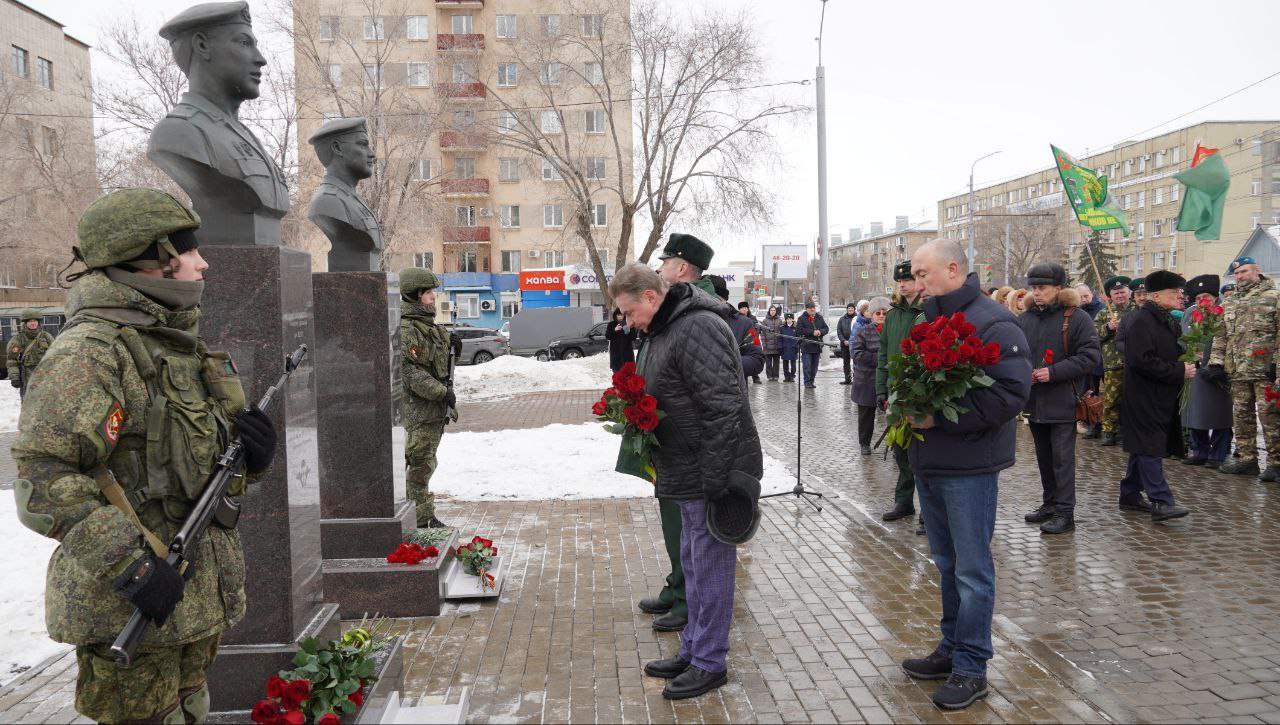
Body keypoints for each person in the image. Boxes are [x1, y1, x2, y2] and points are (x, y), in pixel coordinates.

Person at [12, 188, 278, 723]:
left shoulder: (171, 344)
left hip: (189, 601)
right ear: (151, 260)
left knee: (190, 710)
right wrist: (132, 569)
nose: (202, 262)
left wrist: (251, 458)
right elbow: (44, 479)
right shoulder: (93, 352)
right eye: (188, 250)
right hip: (128, 605)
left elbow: (185, 465)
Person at [610, 263, 762, 700]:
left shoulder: (697, 326)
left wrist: (716, 479)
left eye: (630, 312)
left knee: (710, 569)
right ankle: (694, 647)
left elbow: (723, 406)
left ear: (651, 296)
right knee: (692, 565)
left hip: (708, 471)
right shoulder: (665, 328)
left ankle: (710, 662)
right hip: (685, 467)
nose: (628, 322)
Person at [899, 239, 1031, 711]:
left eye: (923, 274)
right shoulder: (928, 319)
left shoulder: (993, 321)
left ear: (953, 269)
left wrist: (938, 418)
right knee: (947, 564)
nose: (916, 283)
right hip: (930, 461)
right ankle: (952, 647)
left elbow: (1009, 394)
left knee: (973, 571)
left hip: (969, 466)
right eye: (914, 275)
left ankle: (972, 666)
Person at [640, 232, 718, 633]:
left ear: (682, 268)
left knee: (688, 526)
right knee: (673, 519)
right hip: (668, 438)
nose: (659, 268)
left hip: (689, 443)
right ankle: (677, 586)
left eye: (665, 262)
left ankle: (690, 600)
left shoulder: (699, 312)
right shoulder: (674, 307)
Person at [1017, 263, 1101, 535]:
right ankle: (1050, 504)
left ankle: (1065, 513)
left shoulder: (1077, 318)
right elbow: (1017, 353)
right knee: (1044, 458)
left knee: (1062, 460)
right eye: (1034, 288)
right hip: (1035, 401)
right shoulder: (1026, 318)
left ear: (1059, 288)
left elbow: (1090, 356)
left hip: (1064, 400)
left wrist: (1052, 372)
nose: (1037, 293)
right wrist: (1024, 372)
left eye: (1042, 287)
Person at [1118, 270, 1194, 522]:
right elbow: (1142, 361)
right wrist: (1179, 370)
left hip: (1160, 394)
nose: (1180, 296)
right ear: (1157, 296)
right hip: (1143, 395)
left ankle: (1130, 494)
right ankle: (1161, 501)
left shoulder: (1164, 318)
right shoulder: (1142, 321)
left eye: (1180, 291)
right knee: (1149, 446)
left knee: (1142, 446)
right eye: (1174, 292)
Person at [1207, 256, 1280, 479]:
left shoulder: (1273, 297)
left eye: (1244, 271)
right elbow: (1221, 335)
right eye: (1236, 273)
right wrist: (1216, 362)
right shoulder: (1229, 302)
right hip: (1237, 370)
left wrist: (1277, 366)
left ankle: (1276, 463)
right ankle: (1246, 459)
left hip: (1264, 371)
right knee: (1241, 416)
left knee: (1270, 416)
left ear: (1257, 271)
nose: (1240, 276)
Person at [400, 267, 456, 529]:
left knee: (425, 462)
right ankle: (421, 520)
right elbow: (409, 372)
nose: (433, 296)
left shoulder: (426, 326)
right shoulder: (408, 329)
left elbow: (435, 363)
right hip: (419, 412)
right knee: (420, 466)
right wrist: (442, 392)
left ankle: (420, 515)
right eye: (428, 292)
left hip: (432, 411)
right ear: (414, 295)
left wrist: (452, 345)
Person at [876, 261, 925, 533]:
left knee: (925, 453)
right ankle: (904, 501)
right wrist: (881, 389)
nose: (903, 285)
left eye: (908, 280)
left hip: (920, 392)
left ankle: (929, 509)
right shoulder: (893, 314)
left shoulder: (926, 311)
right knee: (901, 451)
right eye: (900, 281)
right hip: (896, 392)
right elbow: (883, 355)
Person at [1180, 274, 1232, 469]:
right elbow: (1182, 335)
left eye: (1206, 297)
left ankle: (1217, 455)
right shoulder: (1189, 312)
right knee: (1195, 413)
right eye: (1198, 297)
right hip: (1194, 370)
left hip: (1218, 371)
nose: (1202, 301)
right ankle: (1199, 452)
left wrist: (1219, 365)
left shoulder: (1225, 311)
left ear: (1215, 297)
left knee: (1219, 414)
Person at [1095, 276, 1135, 446]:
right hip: (1112, 362)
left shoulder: (1137, 310)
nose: (1119, 296)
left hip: (1135, 362)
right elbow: (1093, 336)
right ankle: (1108, 431)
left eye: (1122, 292)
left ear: (1129, 293)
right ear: (1110, 296)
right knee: (1111, 399)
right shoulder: (1104, 313)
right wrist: (1108, 328)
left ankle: (1130, 431)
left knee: (1134, 399)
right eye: (1116, 293)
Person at [851, 297, 889, 455]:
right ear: (872, 315)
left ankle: (895, 445)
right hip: (866, 381)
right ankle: (864, 443)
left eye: (884, 313)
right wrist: (879, 359)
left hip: (887, 380)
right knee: (866, 415)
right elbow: (856, 353)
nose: (881, 316)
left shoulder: (892, 331)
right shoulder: (863, 331)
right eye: (878, 313)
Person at [6, 309, 54, 398]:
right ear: (25, 323)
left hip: (45, 375)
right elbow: (12, 360)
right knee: (28, 401)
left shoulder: (46, 337)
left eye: (35, 321)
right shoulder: (18, 339)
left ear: (38, 322)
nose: (33, 323)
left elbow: (55, 355)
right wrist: (14, 377)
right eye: (30, 321)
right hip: (27, 378)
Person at [795, 301, 829, 389]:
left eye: (814, 308)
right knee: (807, 366)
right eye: (810, 308)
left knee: (815, 367)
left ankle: (811, 381)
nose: (813, 309)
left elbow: (826, 328)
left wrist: (820, 332)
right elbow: (799, 330)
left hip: (817, 346)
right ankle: (807, 382)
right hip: (806, 346)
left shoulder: (819, 317)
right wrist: (812, 332)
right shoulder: (801, 319)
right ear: (806, 309)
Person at [737, 301, 763, 384]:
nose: (744, 309)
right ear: (739, 309)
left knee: (754, 356)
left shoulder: (752, 318)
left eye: (746, 308)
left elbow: (756, 330)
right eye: (742, 308)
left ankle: (756, 377)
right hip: (741, 341)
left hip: (753, 339)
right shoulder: (737, 318)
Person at [605, 308, 636, 373]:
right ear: (615, 315)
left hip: (628, 357)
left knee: (629, 377)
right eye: (618, 315)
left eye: (621, 315)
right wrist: (615, 330)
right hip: (616, 358)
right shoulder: (611, 324)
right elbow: (607, 336)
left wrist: (628, 332)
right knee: (618, 377)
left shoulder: (629, 323)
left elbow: (634, 337)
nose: (620, 317)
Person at [758, 305, 783, 381]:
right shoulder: (765, 321)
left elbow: (781, 332)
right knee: (768, 363)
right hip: (767, 345)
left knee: (776, 362)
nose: (773, 312)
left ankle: (776, 376)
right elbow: (762, 334)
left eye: (774, 310)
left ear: (776, 311)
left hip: (777, 345)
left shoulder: (779, 320)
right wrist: (764, 344)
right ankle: (769, 376)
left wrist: (781, 344)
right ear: (769, 311)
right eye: (771, 310)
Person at [836, 302, 858, 385]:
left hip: (855, 344)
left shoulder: (857, 318)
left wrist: (853, 341)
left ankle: (856, 379)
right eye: (849, 308)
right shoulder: (842, 319)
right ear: (847, 309)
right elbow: (839, 331)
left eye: (852, 308)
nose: (850, 309)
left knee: (856, 362)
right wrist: (843, 340)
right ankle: (847, 379)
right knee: (846, 363)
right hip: (844, 344)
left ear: (854, 309)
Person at [779, 313, 799, 382]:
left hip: (793, 348)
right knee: (785, 364)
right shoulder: (782, 328)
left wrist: (797, 347)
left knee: (793, 365)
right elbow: (780, 338)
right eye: (787, 319)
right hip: (785, 348)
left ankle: (792, 376)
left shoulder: (796, 328)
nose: (789, 320)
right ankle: (786, 376)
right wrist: (780, 347)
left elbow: (798, 338)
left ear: (793, 319)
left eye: (790, 319)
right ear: (785, 320)